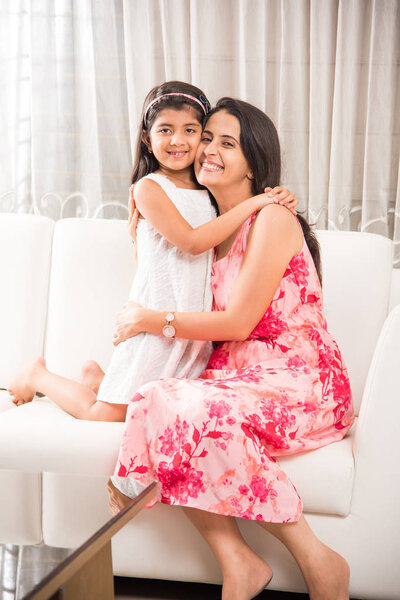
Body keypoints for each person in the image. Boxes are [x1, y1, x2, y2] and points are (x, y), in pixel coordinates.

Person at [108, 97, 354, 600]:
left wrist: (150, 322)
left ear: (254, 160)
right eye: (207, 138)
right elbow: (164, 262)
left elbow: (240, 322)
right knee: (157, 398)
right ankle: (237, 560)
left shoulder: (272, 220)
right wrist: (143, 205)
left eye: (227, 142)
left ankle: (318, 559)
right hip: (238, 380)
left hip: (300, 379)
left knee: (189, 405)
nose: (207, 150)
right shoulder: (209, 231)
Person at [7, 81, 296, 422]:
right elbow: (191, 242)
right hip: (160, 316)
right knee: (104, 416)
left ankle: (99, 381)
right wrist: (258, 201)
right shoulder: (149, 187)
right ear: (147, 138)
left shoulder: (207, 190)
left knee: (156, 408)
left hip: (191, 324)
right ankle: (38, 376)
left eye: (192, 131)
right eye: (166, 130)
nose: (179, 141)